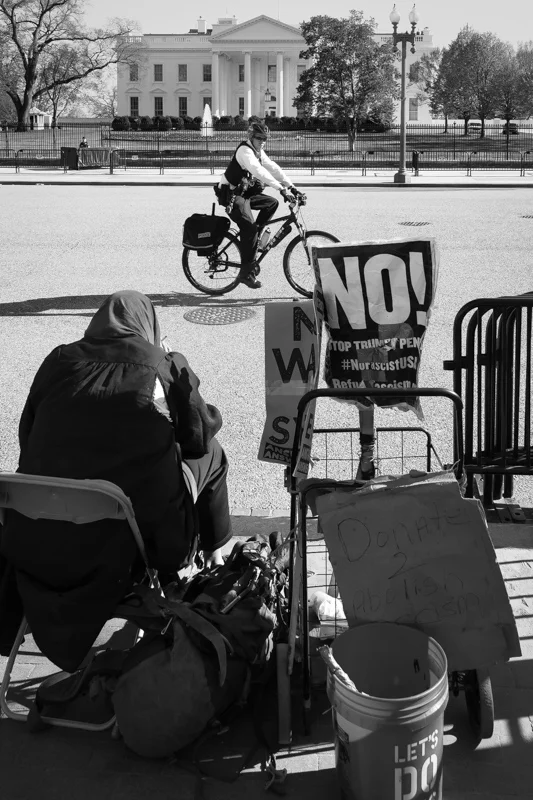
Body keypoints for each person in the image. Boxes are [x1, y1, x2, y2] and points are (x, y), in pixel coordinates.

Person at [0, 291, 232, 670]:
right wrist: (172, 366)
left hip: (37, 542)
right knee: (213, 454)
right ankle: (215, 556)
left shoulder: (59, 360)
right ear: (148, 327)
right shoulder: (161, 363)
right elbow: (199, 435)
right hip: (130, 549)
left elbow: (28, 437)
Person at [215, 120, 303, 289]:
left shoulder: (258, 151)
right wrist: (280, 188)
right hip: (232, 196)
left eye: (265, 138)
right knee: (249, 228)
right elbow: (258, 171)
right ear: (251, 137)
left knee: (271, 204)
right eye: (259, 138)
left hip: (244, 194)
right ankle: (245, 274)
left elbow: (273, 168)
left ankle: (254, 240)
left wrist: (292, 187)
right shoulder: (245, 151)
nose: (263, 141)